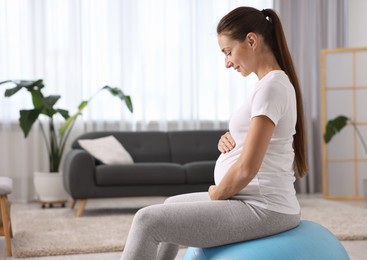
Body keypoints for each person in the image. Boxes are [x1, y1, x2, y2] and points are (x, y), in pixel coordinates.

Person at [121, 6, 307, 260]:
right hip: (252, 200)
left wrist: (217, 193)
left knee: (146, 220)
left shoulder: (272, 87)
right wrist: (231, 138)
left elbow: (246, 169)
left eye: (228, 52)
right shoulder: (269, 85)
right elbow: (260, 143)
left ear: (251, 40)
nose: (227, 62)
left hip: (263, 208)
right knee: (169, 206)